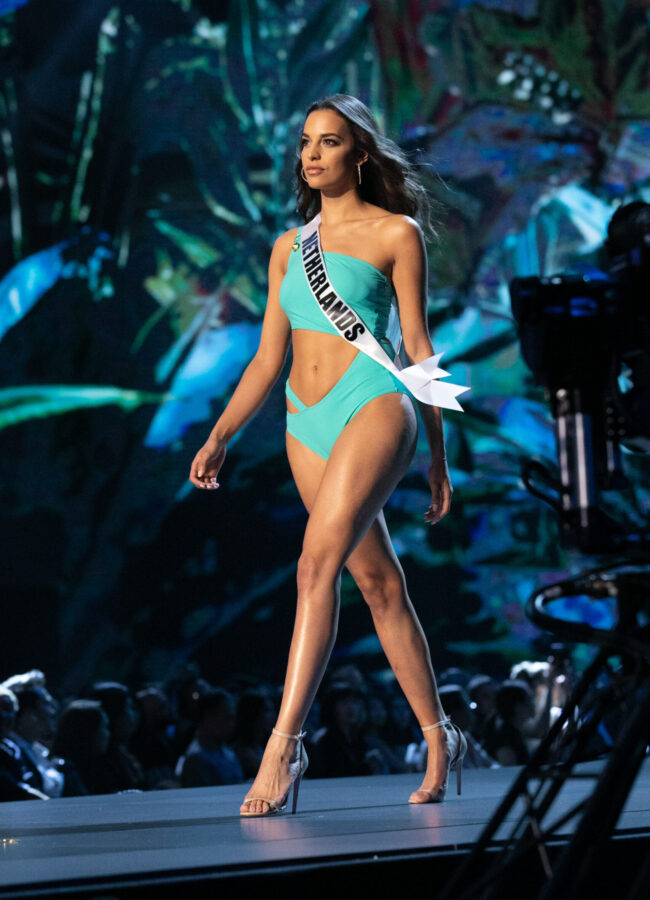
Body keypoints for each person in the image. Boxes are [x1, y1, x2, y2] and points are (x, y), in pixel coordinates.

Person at [189, 94, 467, 817]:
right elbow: (264, 360)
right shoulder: (290, 246)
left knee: (315, 567)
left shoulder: (396, 233)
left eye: (330, 142)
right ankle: (441, 736)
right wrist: (220, 434)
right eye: (307, 142)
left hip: (375, 404)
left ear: (360, 154)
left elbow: (417, 350)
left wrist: (437, 456)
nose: (313, 155)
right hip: (302, 421)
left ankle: (283, 746)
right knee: (377, 584)